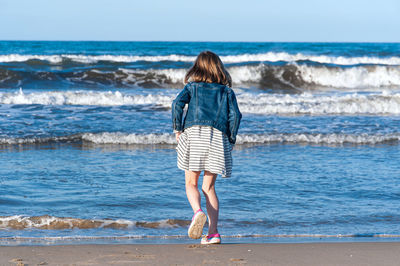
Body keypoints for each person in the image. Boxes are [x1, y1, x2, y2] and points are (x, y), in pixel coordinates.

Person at [171, 51, 242, 244]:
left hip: (194, 135)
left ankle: (197, 212)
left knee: (191, 183)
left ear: (198, 67)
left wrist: (178, 129)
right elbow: (235, 116)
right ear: (219, 68)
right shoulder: (227, 91)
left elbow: (177, 104)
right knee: (208, 187)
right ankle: (213, 233)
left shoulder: (192, 87)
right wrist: (231, 139)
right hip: (218, 137)